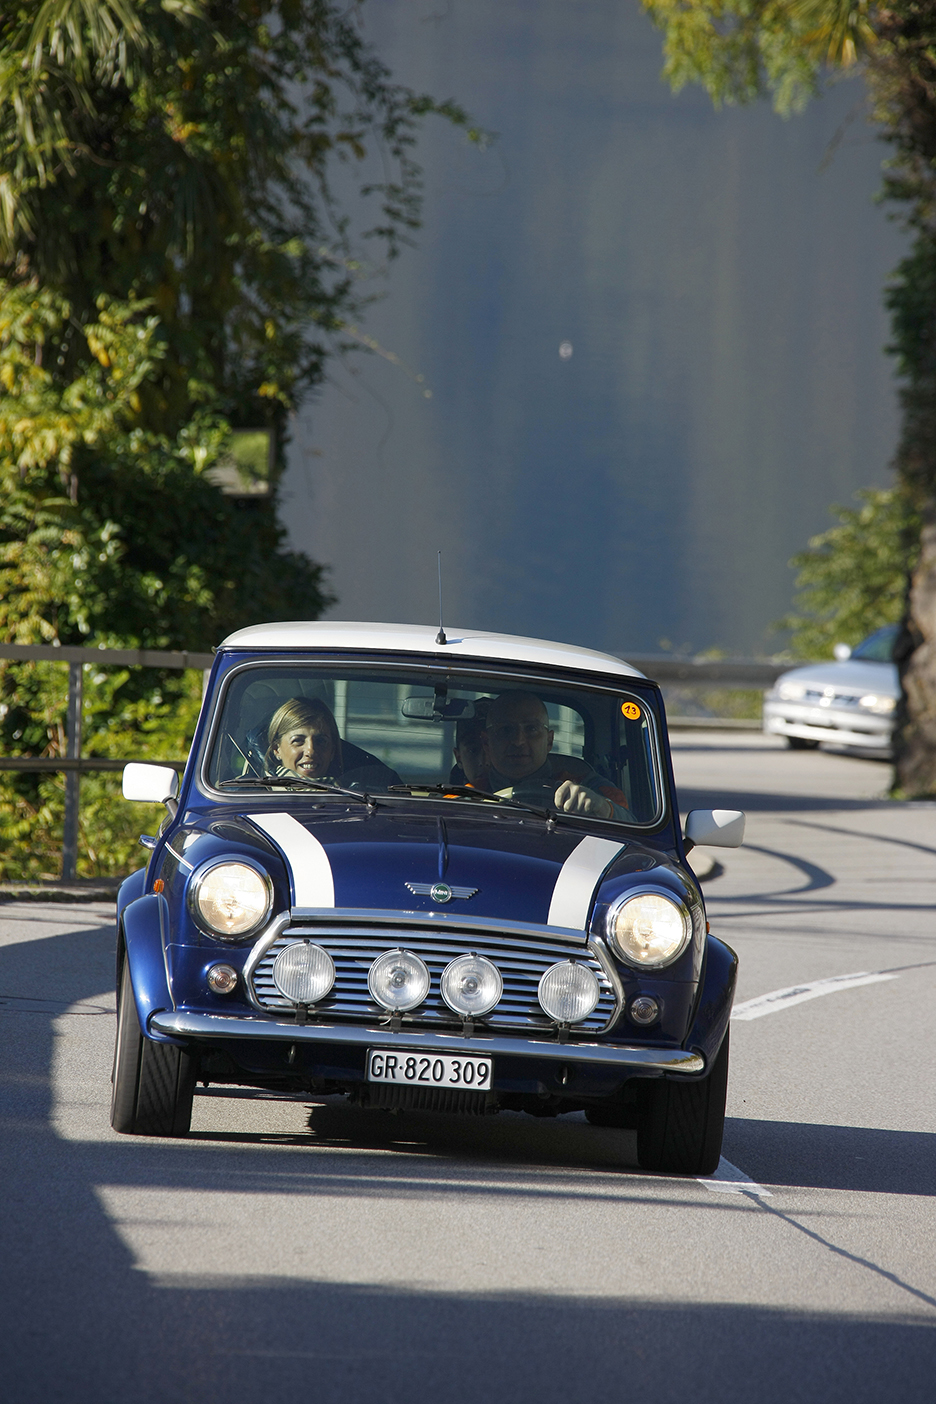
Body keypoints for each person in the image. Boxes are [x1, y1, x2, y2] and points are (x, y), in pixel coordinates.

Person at [475, 690, 632, 820]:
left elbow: (632, 830)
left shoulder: (589, 787)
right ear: (486, 743)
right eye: (505, 730)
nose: (518, 741)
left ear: (549, 741)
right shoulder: (469, 794)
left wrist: (601, 807)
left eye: (531, 729)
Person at [264, 697, 399, 788]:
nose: (311, 750)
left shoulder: (359, 799)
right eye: (298, 741)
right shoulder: (257, 794)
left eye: (321, 741)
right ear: (276, 749)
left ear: (332, 751)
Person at [449, 698, 490, 785]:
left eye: (491, 750)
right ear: (458, 757)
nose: (484, 761)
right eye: (473, 750)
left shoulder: (521, 794)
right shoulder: (445, 794)